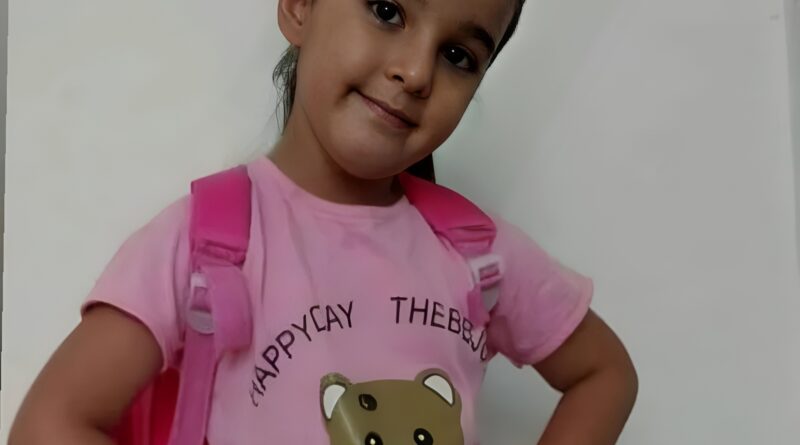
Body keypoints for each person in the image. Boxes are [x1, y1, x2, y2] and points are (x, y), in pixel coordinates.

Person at [9, 0, 638, 443]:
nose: (417, 72)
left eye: (458, 55)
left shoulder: (478, 255)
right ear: (299, 6)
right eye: (387, 10)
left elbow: (604, 374)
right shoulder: (207, 245)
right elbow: (48, 425)